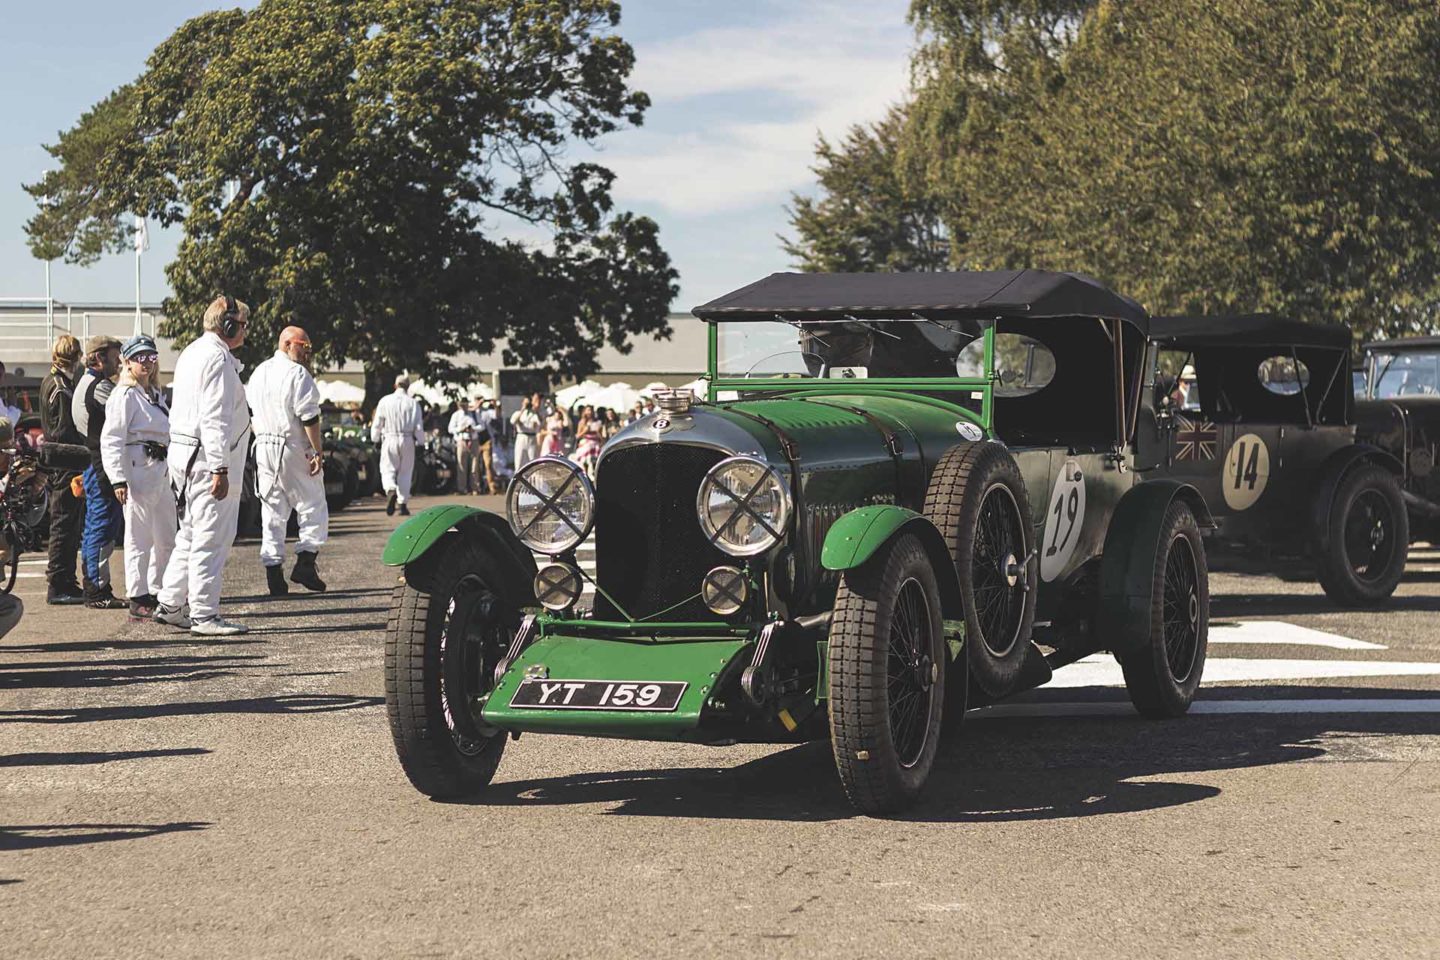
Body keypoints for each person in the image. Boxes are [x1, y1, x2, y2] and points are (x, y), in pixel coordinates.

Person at [155, 295, 253, 636]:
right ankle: (204, 614)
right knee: (212, 537)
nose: (245, 330)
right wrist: (220, 468)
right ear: (227, 326)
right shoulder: (217, 358)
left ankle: (170, 603)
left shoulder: (194, 352)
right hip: (206, 460)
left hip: (188, 457)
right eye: (242, 324)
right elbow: (215, 418)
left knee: (193, 534)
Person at [247, 325, 329, 596]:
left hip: (264, 445)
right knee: (312, 502)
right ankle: (306, 561)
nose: (307, 353)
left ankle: (274, 572)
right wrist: (317, 451)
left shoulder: (259, 372)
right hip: (291, 444)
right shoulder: (297, 374)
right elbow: (309, 417)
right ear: (286, 344)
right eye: (303, 347)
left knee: (272, 507)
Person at [100, 335, 175, 620]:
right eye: (140, 358)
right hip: (137, 470)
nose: (146, 363)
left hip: (159, 470)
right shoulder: (125, 395)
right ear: (127, 362)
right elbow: (112, 439)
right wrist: (118, 478)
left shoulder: (155, 396)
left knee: (166, 536)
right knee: (138, 537)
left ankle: (159, 589)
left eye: (151, 357)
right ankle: (138, 593)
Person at [71, 335, 126, 609]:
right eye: (116, 357)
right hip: (102, 464)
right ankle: (97, 590)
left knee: (96, 526)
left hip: (94, 462)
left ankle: (95, 586)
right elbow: (125, 412)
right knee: (102, 527)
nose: (120, 362)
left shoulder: (84, 383)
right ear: (99, 357)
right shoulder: (100, 386)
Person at [39, 335, 86, 605]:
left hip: (63, 461)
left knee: (68, 523)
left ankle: (65, 580)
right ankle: (59, 583)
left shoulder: (55, 381)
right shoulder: (60, 386)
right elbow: (60, 431)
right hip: (64, 461)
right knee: (64, 524)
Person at [371, 373, 424, 516]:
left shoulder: (385, 401)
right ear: (408, 386)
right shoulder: (413, 403)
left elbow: (377, 423)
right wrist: (421, 443)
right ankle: (402, 504)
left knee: (387, 469)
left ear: (395, 385)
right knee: (405, 472)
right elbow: (418, 427)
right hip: (407, 439)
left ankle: (390, 489)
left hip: (389, 438)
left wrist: (375, 439)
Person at [448, 398, 479, 494]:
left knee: (474, 465)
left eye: (465, 405)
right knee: (461, 465)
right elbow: (450, 429)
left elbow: (481, 426)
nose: (464, 407)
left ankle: (475, 488)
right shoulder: (456, 415)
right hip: (461, 440)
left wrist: (473, 429)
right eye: (462, 405)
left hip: (473, 440)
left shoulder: (474, 414)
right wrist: (461, 429)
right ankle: (462, 488)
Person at [476, 399, 501, 493]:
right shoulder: (472, 412)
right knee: (476, 466)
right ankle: (477, 487)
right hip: (475, 440)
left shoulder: (487, 412)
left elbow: (497, 415)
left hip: (486, 439)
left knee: (488, 464)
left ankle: (492, 487)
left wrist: (495, 405)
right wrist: (477, 405)